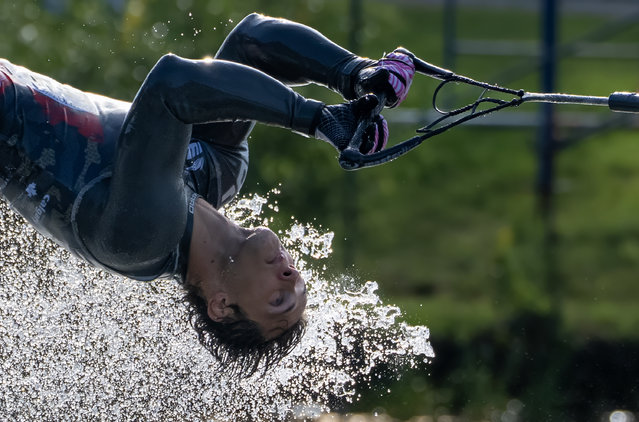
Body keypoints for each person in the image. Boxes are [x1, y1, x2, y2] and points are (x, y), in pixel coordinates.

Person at [0, 13, 415, 376]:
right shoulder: (221, 174)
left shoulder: (142, 239)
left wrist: (317, 119)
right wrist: (354, 74)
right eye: (299, 288)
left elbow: (173, 84)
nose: (293, 278)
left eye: (277, 300)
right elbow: (252, 43)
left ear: (220, 304)